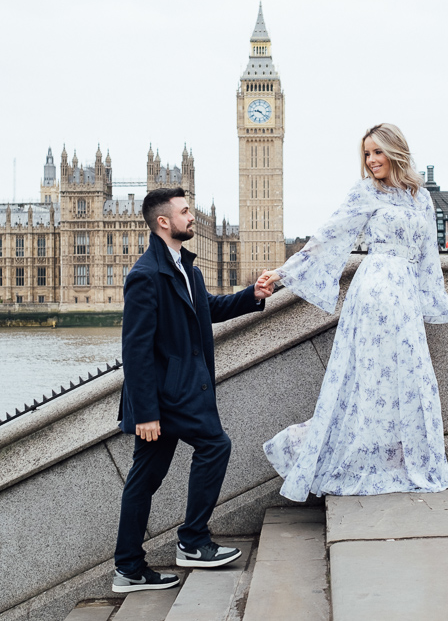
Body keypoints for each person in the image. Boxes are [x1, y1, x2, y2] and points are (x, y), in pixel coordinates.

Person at [257, 123, 448, 502]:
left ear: (395, 151)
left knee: (408, 378)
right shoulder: (366, 191)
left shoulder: (421, 197)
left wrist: (432, 301)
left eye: (377, 152)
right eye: (367, 154)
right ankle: (358, 456)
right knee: (369, 378)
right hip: (374, 293)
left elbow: (429, 255)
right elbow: (328, 236)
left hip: (405, 297)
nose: (371, 161)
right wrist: (283, 273)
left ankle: (400, 460)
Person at [112, 187, 274, 593]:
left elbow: (209, 310)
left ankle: (129, 569)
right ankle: (193, 541)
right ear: (163, 222)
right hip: (169, 397)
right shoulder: (146, 275)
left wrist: (251, 295)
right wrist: (147, 412)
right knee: (215, 445)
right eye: (185, 212)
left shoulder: (187, 268)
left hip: (178, 391)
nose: (191, 217)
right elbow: (135, 350)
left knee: (143, 480)